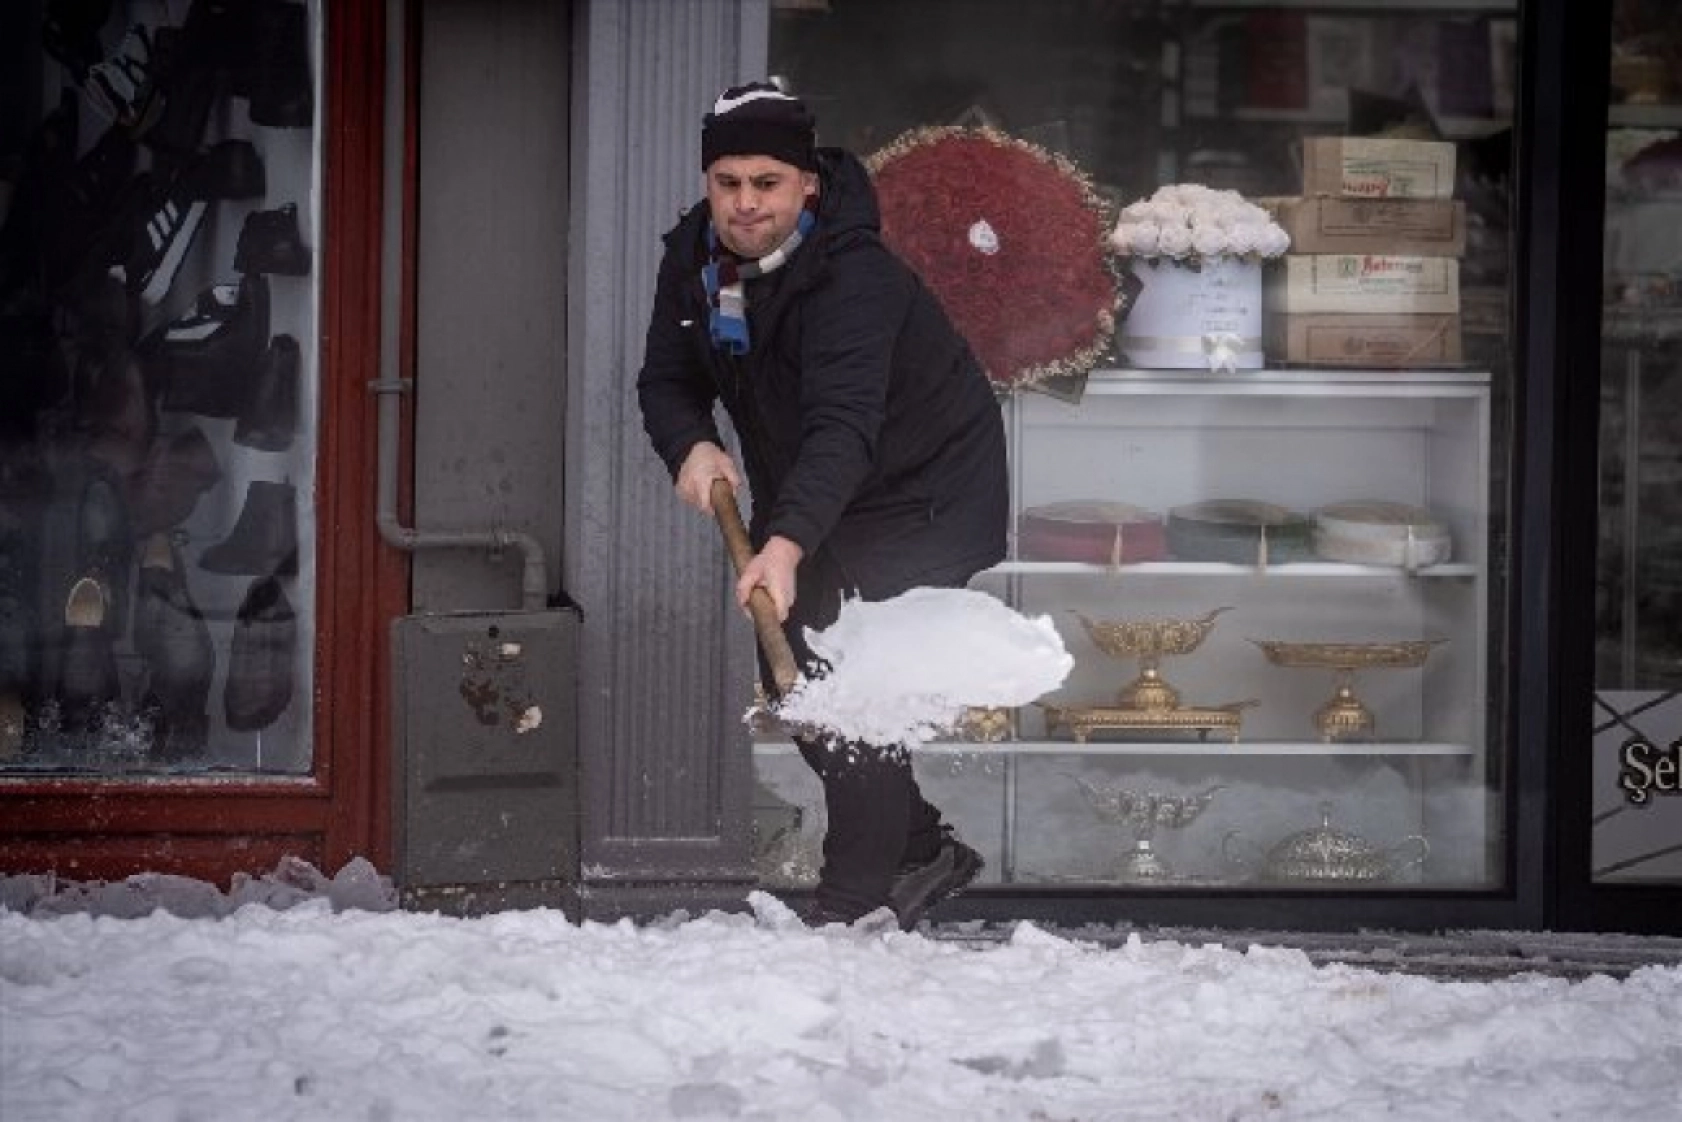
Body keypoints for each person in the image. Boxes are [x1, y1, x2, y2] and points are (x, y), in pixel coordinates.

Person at [636, 82, 1009, 929]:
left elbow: (845, 426)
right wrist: (688, 441)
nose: (744, 203)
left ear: (807, 182)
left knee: (852, 691)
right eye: (727, 181)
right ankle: (917, 847)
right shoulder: (695, 260)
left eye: (765, 182)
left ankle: (851, 912)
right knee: (794, 680)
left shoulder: (853, 278)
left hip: (926, 491)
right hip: (821, 487)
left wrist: (788, 541)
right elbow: (667, 378)